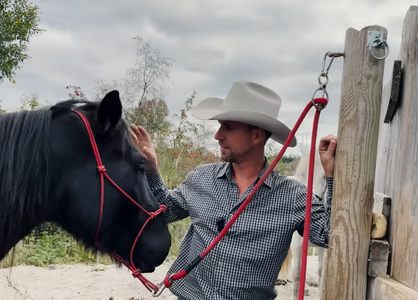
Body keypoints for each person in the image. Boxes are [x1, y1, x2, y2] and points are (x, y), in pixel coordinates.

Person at [130, 81, 337, 300]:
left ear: (256, 136)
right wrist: (151, 170)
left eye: (228, 127)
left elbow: (328, 236)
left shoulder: (292, 197)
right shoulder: (201, 178)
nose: (218, 135)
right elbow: (166, 211)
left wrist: (332, 177)